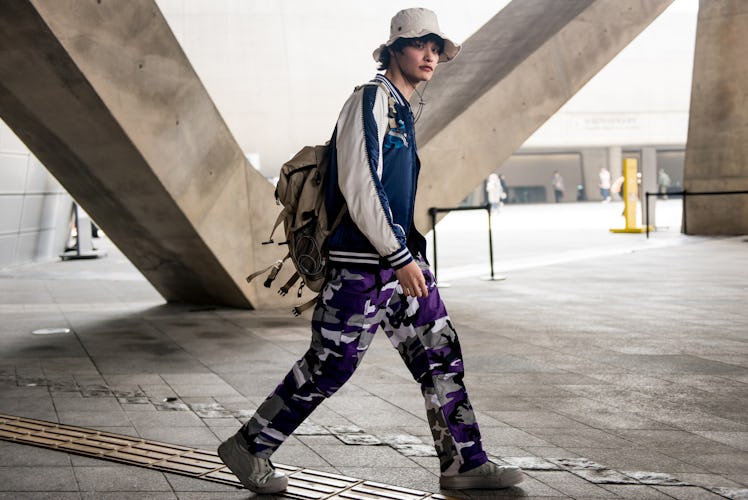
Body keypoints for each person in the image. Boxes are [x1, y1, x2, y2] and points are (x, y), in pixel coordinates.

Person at [217, 7, 524, 494]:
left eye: (436, 48)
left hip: (400, 263)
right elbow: (360, 182)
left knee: (440, 354)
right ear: (394, 49)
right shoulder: (369, 100)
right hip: (364, 266)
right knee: (330, 365)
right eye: (421, 44)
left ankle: (464, 462)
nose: (430, 55)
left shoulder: (402, 108)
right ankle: (250, 446)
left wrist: (406, 257)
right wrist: (398, 257)